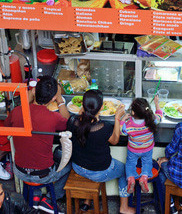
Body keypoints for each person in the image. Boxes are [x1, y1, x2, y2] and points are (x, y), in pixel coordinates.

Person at [5, 76, 70, 213]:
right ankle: (49, 200)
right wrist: (59, 100)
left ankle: (35, 196)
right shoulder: (54, 117)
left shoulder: (17, 111)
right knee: (69, 164)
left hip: (20, 171)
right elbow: (67, 121)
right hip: (43, 175)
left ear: (33, 91)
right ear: (52, 99)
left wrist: (25, 103)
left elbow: (7, 124)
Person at [66, 90, 134, 214]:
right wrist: (118, 118)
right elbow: (115, 140)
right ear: (102, 107)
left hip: (77, 167)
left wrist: (85, 109)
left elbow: (82, 119)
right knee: (125, 170)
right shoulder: (103, 127)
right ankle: (124, 207)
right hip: (99, 171)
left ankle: (87, 201)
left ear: (83, 106)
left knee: (93, 160)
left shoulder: (72, 121)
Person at [121, 97, 162, 193]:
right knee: (147, 162)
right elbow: (160, 115)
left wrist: (122, 119)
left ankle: (131, 178)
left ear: (133, 113)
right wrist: (156, 103)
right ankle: (144, 177)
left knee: (130, 163)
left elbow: (122, 132)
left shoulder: (128, 125)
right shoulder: (152, 120)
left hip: (133, 150)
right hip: (147, 149)